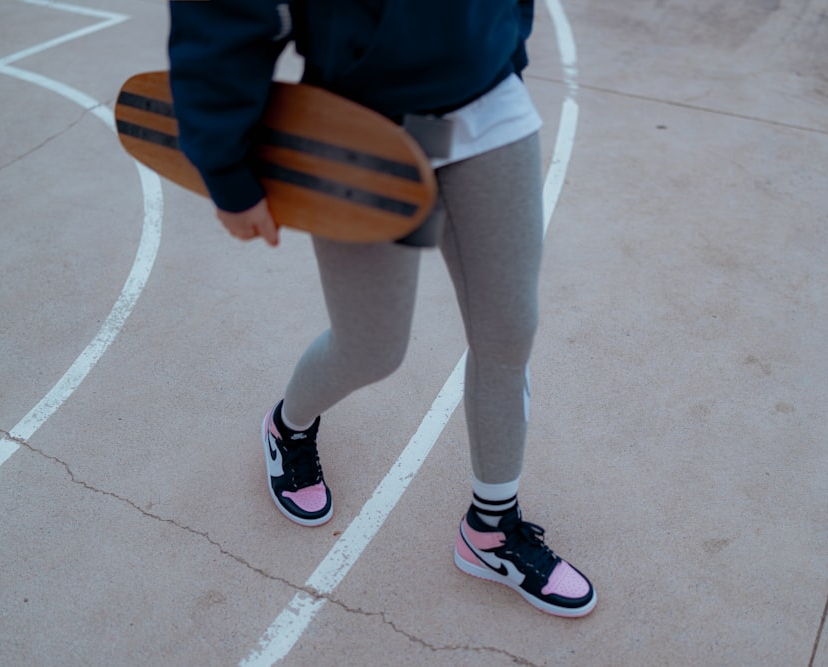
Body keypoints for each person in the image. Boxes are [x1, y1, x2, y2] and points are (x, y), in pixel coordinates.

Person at [168, 0, 596, 618]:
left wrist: (503, 37)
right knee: (372, 348)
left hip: (488, 105)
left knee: (507, 333)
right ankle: (287, 428)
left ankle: (491, 529)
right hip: (363, 124)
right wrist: (226, 166)